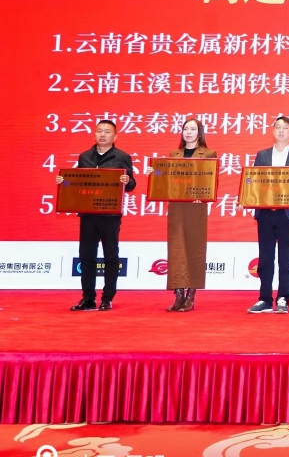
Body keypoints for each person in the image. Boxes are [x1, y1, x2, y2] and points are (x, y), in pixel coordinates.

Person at [57, 119, 136, 311]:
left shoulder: (122, 157)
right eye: (99, 131)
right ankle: (88, 298)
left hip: (110, 214)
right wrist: (64, 182)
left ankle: (107, 298)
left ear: (115, 136)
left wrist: (127, 180)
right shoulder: (84, 157)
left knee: (111, 256)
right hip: (88, 214)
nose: (102, 134)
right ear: (94, 134)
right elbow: (77, 182)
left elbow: (131, 185)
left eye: (107, 131)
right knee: (86, 256)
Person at [144, 119, 217, 312]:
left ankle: (191, 295)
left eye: (193, 129)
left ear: (200, 133)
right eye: (186, 129)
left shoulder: (209, 154)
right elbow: (167, 180)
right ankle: (178, 294)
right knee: (176, 248)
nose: (189, 132)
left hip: (196, 207)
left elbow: (211, 180)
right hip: (177, 206)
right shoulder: (173, 155)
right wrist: (155, 172)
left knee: (194, 247)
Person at [247, 116, 289, 314]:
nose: (281, 131)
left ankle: (283, 297)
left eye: (285, 128)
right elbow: (254, 181)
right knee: (265, 257)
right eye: (278, 127)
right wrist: (247, 198)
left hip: (288, 214)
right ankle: (264, 298)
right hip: (266, 213)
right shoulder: (262, 155)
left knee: (286, 258)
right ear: (273, 131)